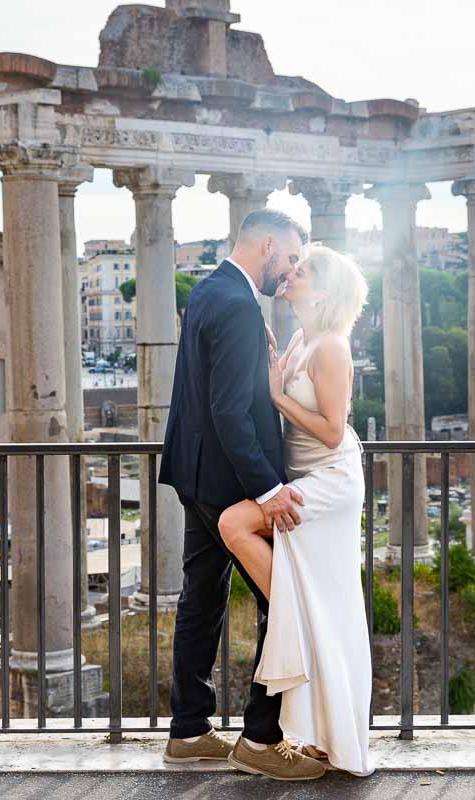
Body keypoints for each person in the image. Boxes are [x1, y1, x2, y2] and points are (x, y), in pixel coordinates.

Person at [158, 209, 326, 781]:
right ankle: (260, 739)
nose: (290, 271)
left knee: (201, 600)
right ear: (268, 244)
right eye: (291, 258)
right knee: (281, 602)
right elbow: (231, 411)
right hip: (231, 486)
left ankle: (188, 729)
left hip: (195, 475)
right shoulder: (236, 306)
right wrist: (270, 488)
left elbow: (211, 394)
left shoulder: (210, 291)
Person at [217, 244, 373, 777]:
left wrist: (276, 394)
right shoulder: (301, 338)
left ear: (323, 290)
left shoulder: (331, 346)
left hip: (330, 479)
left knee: (233, 522)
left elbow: (332, 429)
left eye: (301, 271)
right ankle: (302, 616)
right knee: (322, 597)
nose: (289, 273)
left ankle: (295, 616)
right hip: (304, 476)